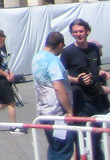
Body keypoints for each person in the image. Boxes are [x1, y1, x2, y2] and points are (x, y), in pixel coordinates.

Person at [61, 18, 110, 160]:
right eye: (75, 32)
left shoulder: (94, 48)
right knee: (81, 138)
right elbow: (62, 76)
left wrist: (101, 72)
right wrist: (76, 80)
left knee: (96, 136)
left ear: (87, 32)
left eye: (81, 31)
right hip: (79, 99)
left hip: (96, 98)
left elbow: (96, 67)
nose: (78, 34)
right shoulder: (68, 52)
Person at [33, 31, 76, 160]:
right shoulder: (53, 60)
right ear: (60, 45)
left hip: (44, 110)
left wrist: (74, 79)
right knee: (63, 149)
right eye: (62, 47)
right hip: (57, 113)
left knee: (54, 147)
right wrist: (69, 110)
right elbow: (58, 87)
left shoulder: (38, 57)